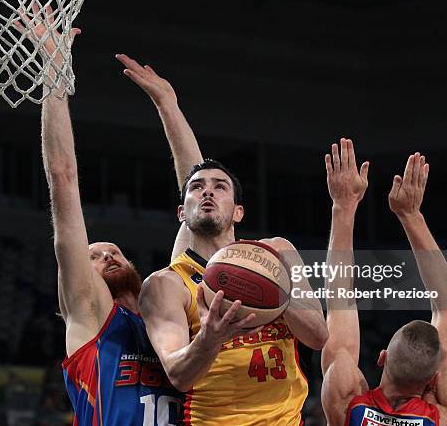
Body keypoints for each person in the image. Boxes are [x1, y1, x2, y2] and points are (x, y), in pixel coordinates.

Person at [117, 54, 329, 425]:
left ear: (239, 211)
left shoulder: (278, 252)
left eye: (220, 187)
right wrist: (210, 337)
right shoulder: (166, 285)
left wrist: (276, 296)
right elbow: (179, 376)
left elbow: (318, 337)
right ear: (182, 213)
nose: (207, 193)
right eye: (196, 189)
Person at [18, 7, 183, 425]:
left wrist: (169, 106)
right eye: (96, 255)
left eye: (115, 252)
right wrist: (54, 72)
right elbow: (64, 180)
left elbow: (197, 215)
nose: (109, 255)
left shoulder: (172, 320)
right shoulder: (91, 314)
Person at [321, 139, 447, 426]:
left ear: (382, 358)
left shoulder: (347, 406)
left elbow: (340, 301)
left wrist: (343, 206)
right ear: (434, 379)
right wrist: (411, 216)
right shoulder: (446, 417)